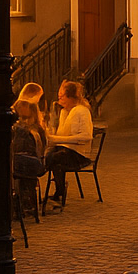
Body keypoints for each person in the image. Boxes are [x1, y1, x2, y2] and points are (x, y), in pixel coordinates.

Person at [45, 79, 94, 211]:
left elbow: (86, 136)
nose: (59, 100)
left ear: (71, 97)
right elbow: (61, 134)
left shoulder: (81, 111)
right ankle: (58, 190)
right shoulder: (64, 112)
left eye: (62, 97)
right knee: (49, 156)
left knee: (53, 159)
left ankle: (58, 191)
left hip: (78, 154)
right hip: (65, 149)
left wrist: (57, 139)